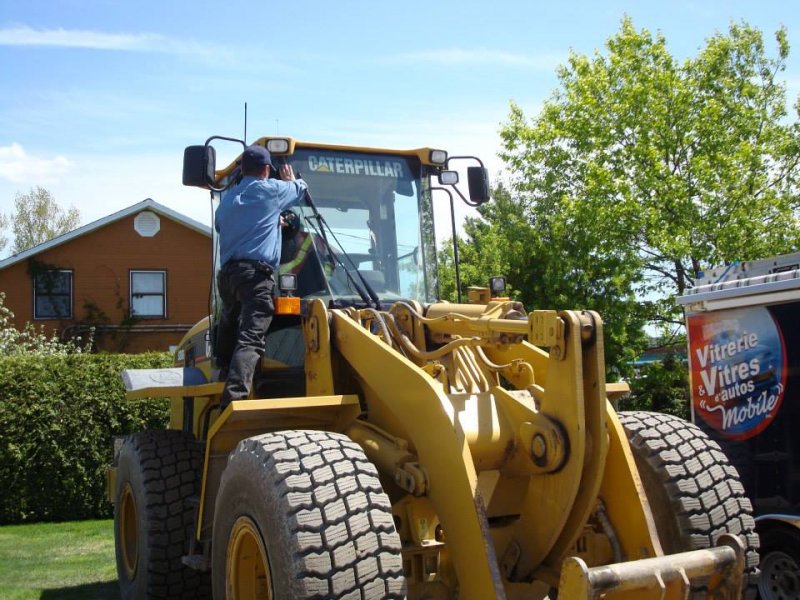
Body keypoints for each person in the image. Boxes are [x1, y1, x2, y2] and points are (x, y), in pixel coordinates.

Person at [214, 144, 307, 410]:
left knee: (229, 320)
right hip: (255, 277)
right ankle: (234, 399)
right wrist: (291, 180)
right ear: (267, 169)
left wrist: (269, 220)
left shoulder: (228, 200)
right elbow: (300, 189)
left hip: (228, 276)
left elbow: (223, 226)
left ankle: (221, 368)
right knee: (252, 335)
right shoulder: (271, 190)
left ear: (242, 170)